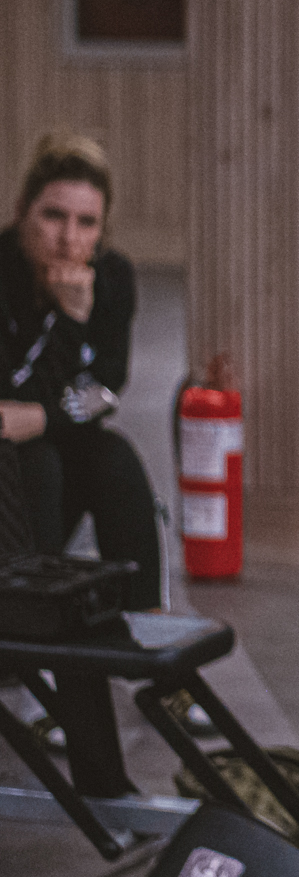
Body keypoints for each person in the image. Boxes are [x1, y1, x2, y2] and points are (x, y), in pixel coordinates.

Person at [0, 135, 161, 610]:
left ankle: (146, 619)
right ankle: (33, 616)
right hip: (11, 468)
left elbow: (106, 391)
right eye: (53, 216)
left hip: (48, 438)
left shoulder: (112, 277)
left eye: (86, 222)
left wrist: (44, 417)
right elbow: (9, 404)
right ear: (23, 212)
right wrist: (69, 321)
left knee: (112, 456)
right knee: (36, 461)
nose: (69, 239)